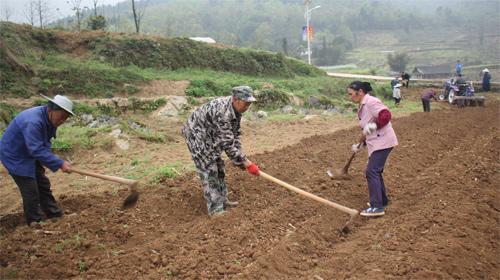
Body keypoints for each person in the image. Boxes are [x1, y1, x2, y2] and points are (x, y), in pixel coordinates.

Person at [182, 86, 260, 216]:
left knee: (219, 166)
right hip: (197, 135)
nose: (247, 107)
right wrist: (246, 162)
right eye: (246, 103)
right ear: (236, 99)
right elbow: (227, 144)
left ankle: (223, 200)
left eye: (249, 104)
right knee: (209, 168)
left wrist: (240, 159)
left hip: (211, 134)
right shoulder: (223, 112)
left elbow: (234, 136)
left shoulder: (236, 111)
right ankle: (215, 210)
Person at [0, 95, 74, 227]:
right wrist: (59, 163)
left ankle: (54, 215)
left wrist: (52, 161)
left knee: (42, 184)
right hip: (14, 155)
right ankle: (35, 221)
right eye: (62, 116)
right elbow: (36, 149)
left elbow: (44, 142)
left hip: (28, 152)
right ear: (52, 110)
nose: (62, 120)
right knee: (30, 188)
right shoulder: (33, 121)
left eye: (66, 118)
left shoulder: (50, 119)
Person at [348, 81, 398, 217]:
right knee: (376, 171)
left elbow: (386, 115)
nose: (350, 97)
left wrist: (372, 127)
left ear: (360, 92)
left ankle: (377, 207)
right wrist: (360, 145)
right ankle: (382, 201)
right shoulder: (362, 105)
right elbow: (367, 129)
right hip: (376, 142)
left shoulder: (371, 101)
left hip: (384, 141)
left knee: (371, 171)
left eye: (351, 94)